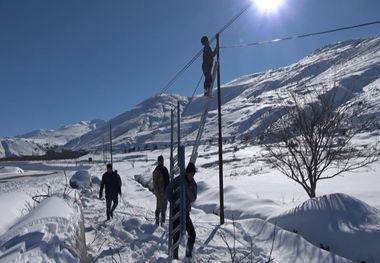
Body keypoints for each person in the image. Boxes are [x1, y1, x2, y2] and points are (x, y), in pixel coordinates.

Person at [167, 162, 198, 259]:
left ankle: (188, 254)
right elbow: (168, 189)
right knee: (176, 234)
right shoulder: (179, 180)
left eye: (192, 174)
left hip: (185, 212)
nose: (190, 175)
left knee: (192, 234)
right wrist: (172, 200)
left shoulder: (193, 184)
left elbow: (193, 198)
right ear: (186, 173)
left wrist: (187, 188)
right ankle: (175, 256)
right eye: (189, 173)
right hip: (176, 211)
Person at [152, 155, 170, 226]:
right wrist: (157, 193)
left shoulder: (165, 169)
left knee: (164, 209)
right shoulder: (156, 171)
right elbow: (154, 183)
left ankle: (163, 223)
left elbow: (168, 180)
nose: (161, 161)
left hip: (165, 192)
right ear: (158, 161)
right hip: (160, 193)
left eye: (162, 160)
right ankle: (156, 222)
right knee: (158, 208)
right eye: (160, 160)